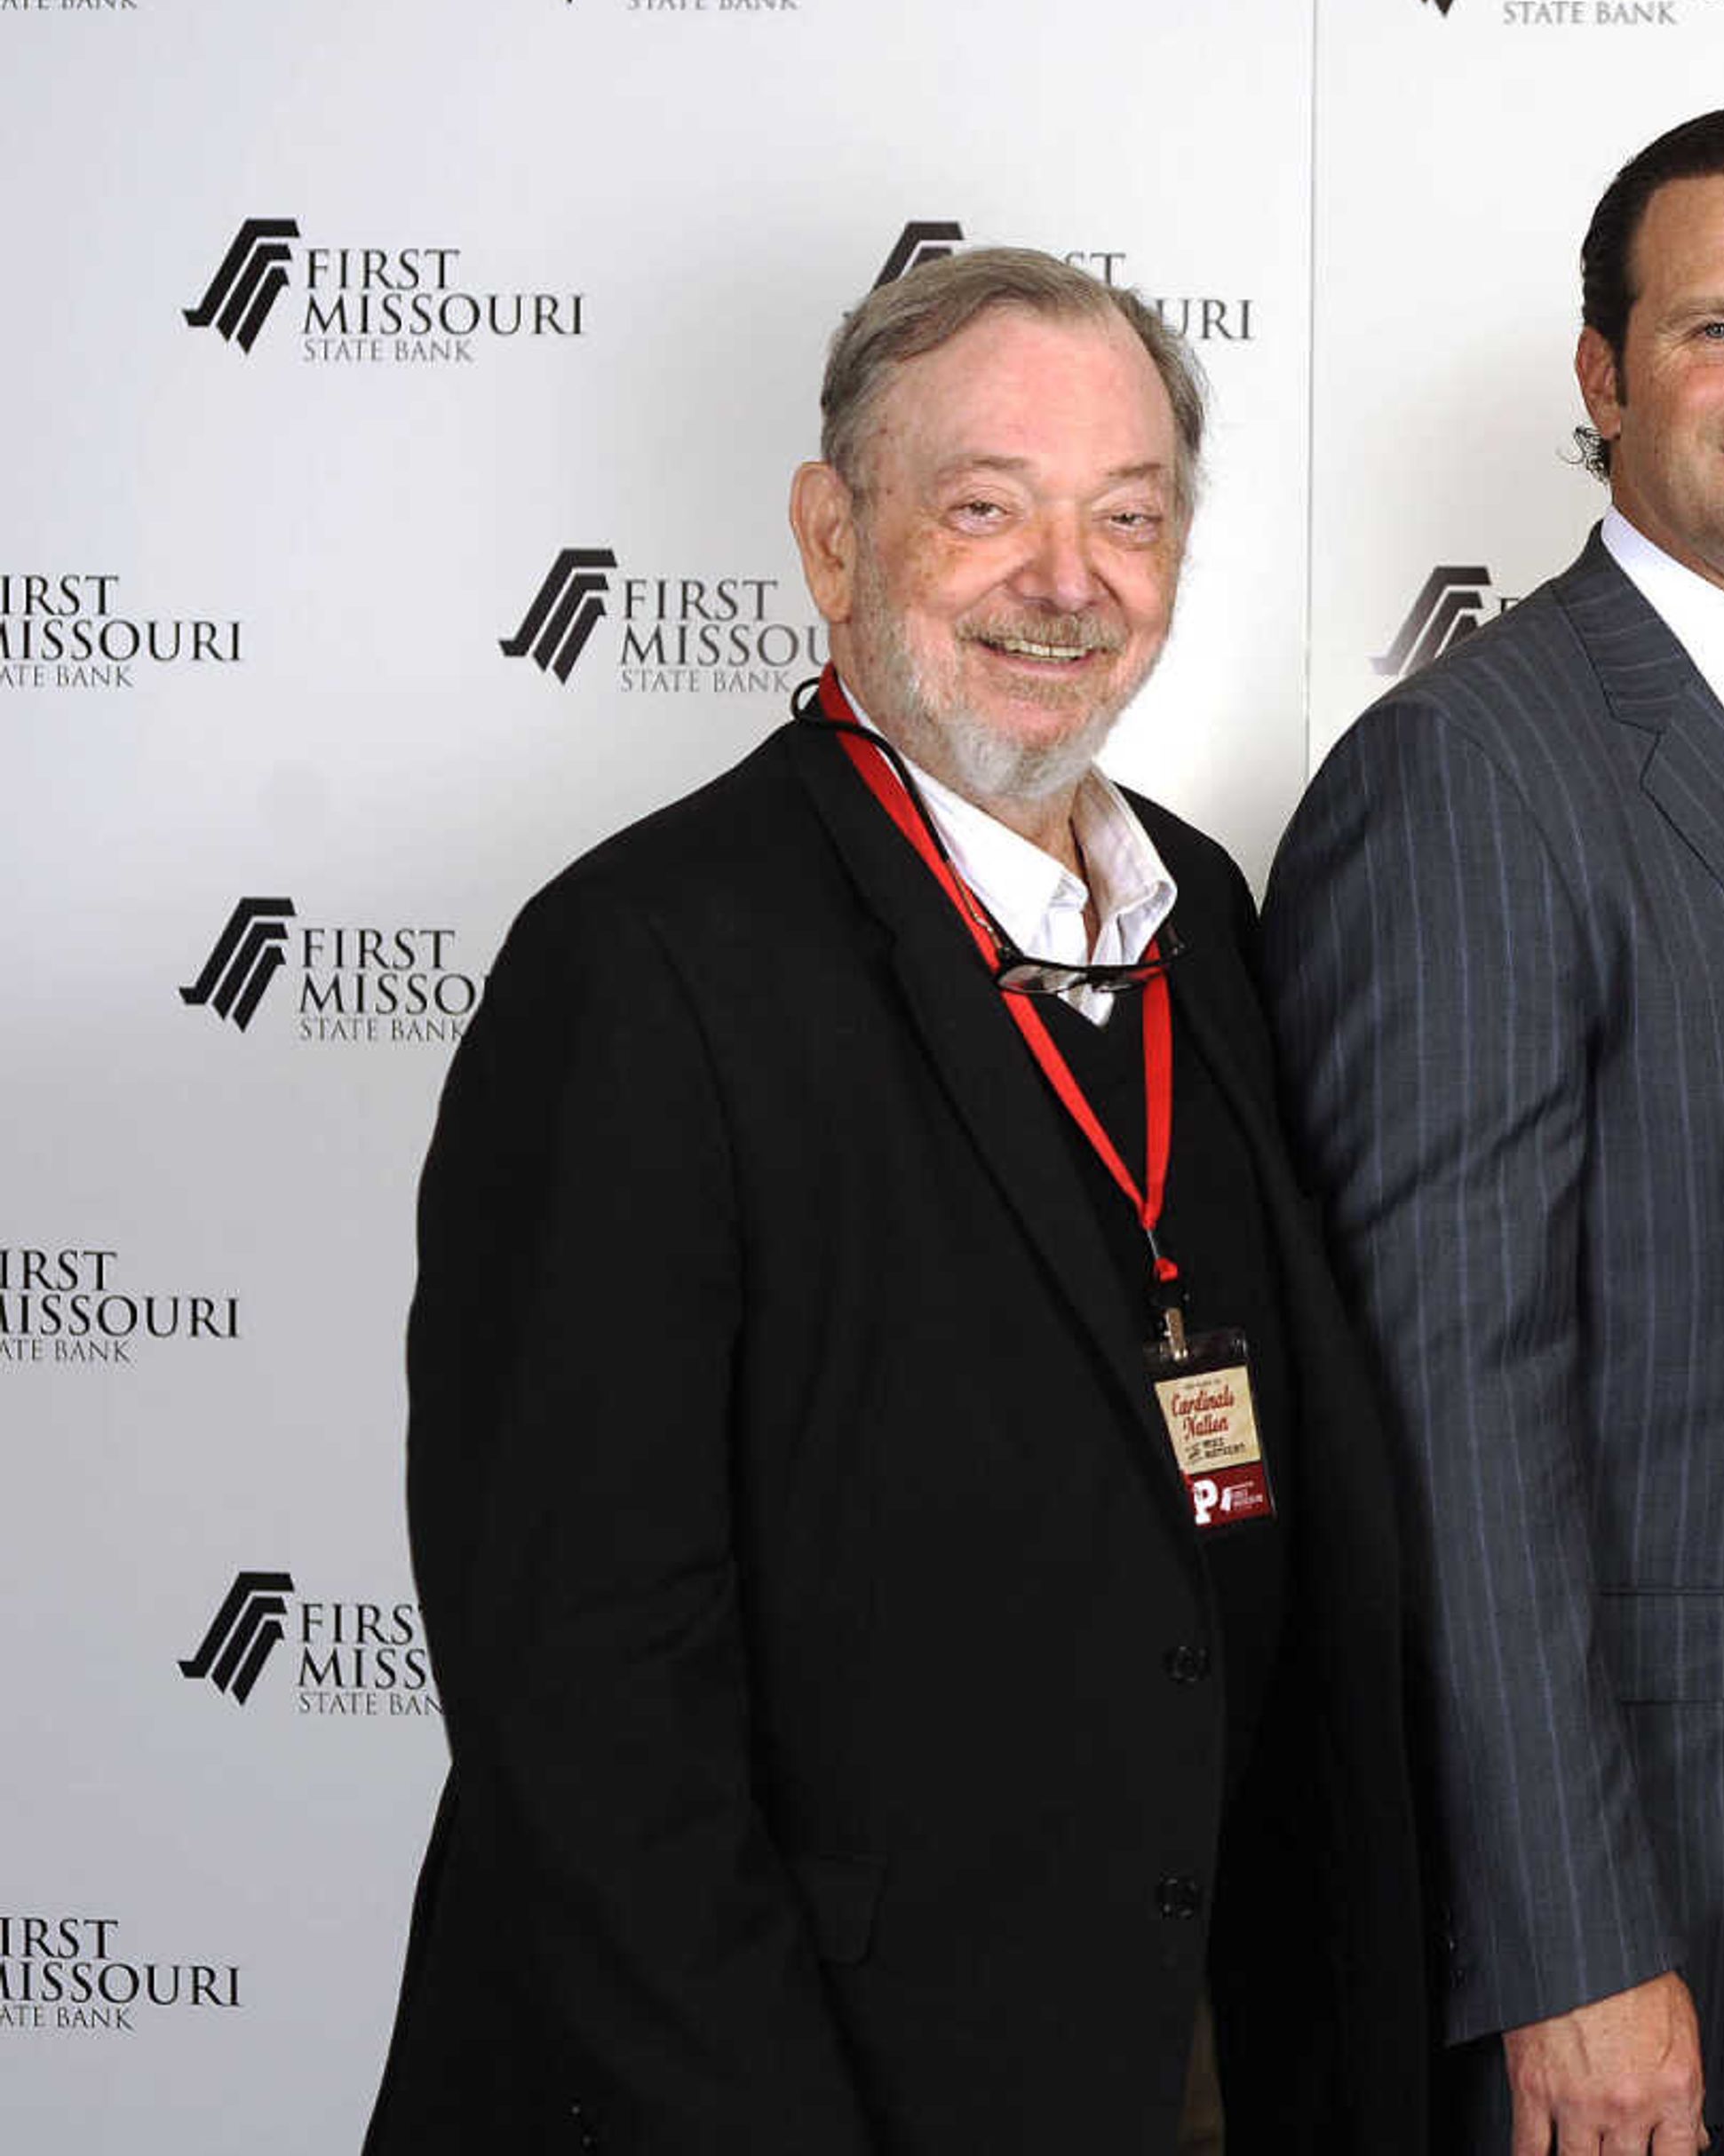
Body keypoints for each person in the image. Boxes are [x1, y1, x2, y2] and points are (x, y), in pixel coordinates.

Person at [364, 248, 1428, 2155]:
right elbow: (588, 1704)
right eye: (985, 507)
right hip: (801, 2084)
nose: (1065, 579)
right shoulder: (641, 965)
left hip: (1170, 2051)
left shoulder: (1204, 913)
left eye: (1128, 516)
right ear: (831, 539)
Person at [1261, 108, 1724, 2156]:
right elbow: (1449, 1402)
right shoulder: (1469, 771)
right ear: (1601, 377)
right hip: (1602, 1943)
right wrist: (1566, 1944)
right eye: (1717, 329)